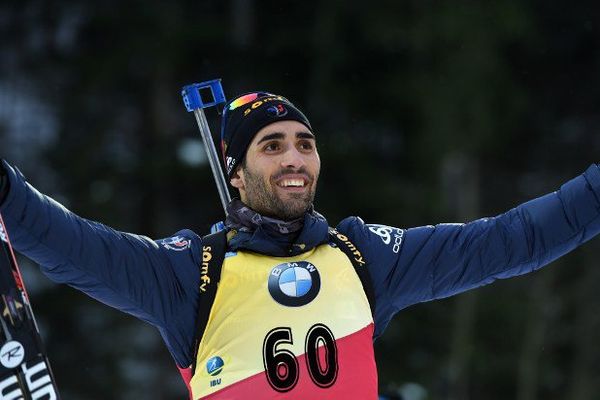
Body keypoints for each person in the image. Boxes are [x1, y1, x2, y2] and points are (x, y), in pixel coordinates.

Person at [1, 91, 600, 400]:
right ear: (235, 171)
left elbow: (506, 242)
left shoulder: (364, 258)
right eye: (271, 145)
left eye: (304, 142)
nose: (294, 157)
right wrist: (8, 193)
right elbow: (75, 246)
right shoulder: (192, 273)